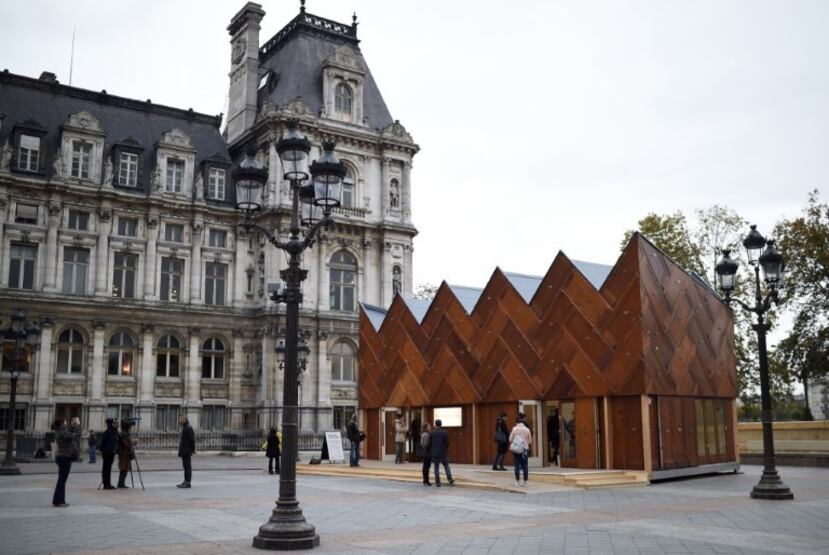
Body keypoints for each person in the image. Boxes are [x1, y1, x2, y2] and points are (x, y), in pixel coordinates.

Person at [52, 416, 80, 507]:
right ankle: (58, 501)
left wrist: (72, 427)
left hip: (62, 457)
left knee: (62, 480)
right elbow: (73, 435)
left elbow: (69, 434)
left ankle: (60, 500)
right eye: (64, 421)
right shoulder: (62, 432)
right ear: (62, 423)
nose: (66, 423)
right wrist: (76, 427)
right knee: (62, 480)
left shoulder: (60, 431)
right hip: (64, 457)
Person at [509, 412, 532, 487]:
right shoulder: (527, 429)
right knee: (525, 465)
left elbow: (510, 439)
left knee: (517, 464)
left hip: (517, 449)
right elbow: (530, 441)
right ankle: (525, 482)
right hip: (525, 449)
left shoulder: (514, 429)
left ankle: (517, 481)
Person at [429, 419, 454, 487]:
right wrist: (445, 448)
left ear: (435, 424)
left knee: (436, 467)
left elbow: (429, 443)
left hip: (435, 453)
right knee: (446, 465)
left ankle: (438, 482)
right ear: (441, 424)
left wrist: (431, 450)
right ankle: (449, 479)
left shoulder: (432, 433)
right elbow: (447, 442)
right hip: (443, 452)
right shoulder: (445, 432)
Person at [116, 419, 136, 488]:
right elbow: (125, 444)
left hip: (126, 454)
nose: (130, 428)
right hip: (123, 454)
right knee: (123, 468)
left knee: (125, 469)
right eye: (129, 426)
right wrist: (133, 442)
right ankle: (120, 483)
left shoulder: (125, 433)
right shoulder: (123, 434)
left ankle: (122, 483)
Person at [99, 418, 118, 489]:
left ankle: (107, 483)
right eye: (114, 423)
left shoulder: (112, 431)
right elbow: (104, 442)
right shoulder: (109, 432)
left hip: (109, 452)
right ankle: (106, 484)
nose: (116, 424)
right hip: (108, 452)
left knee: (107, 468)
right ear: (111, 424)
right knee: (106, 468)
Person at [177, 414, 195, 488]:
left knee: (187, 466)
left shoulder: (188, 428)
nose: (179, 421)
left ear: (184, 420)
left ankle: (187, 482)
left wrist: (192, 450)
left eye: (180, 419)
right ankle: (185, 481)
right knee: (185, 466)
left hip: (186, 450)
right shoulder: (185, 427)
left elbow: (192, 440)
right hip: (184, 450)